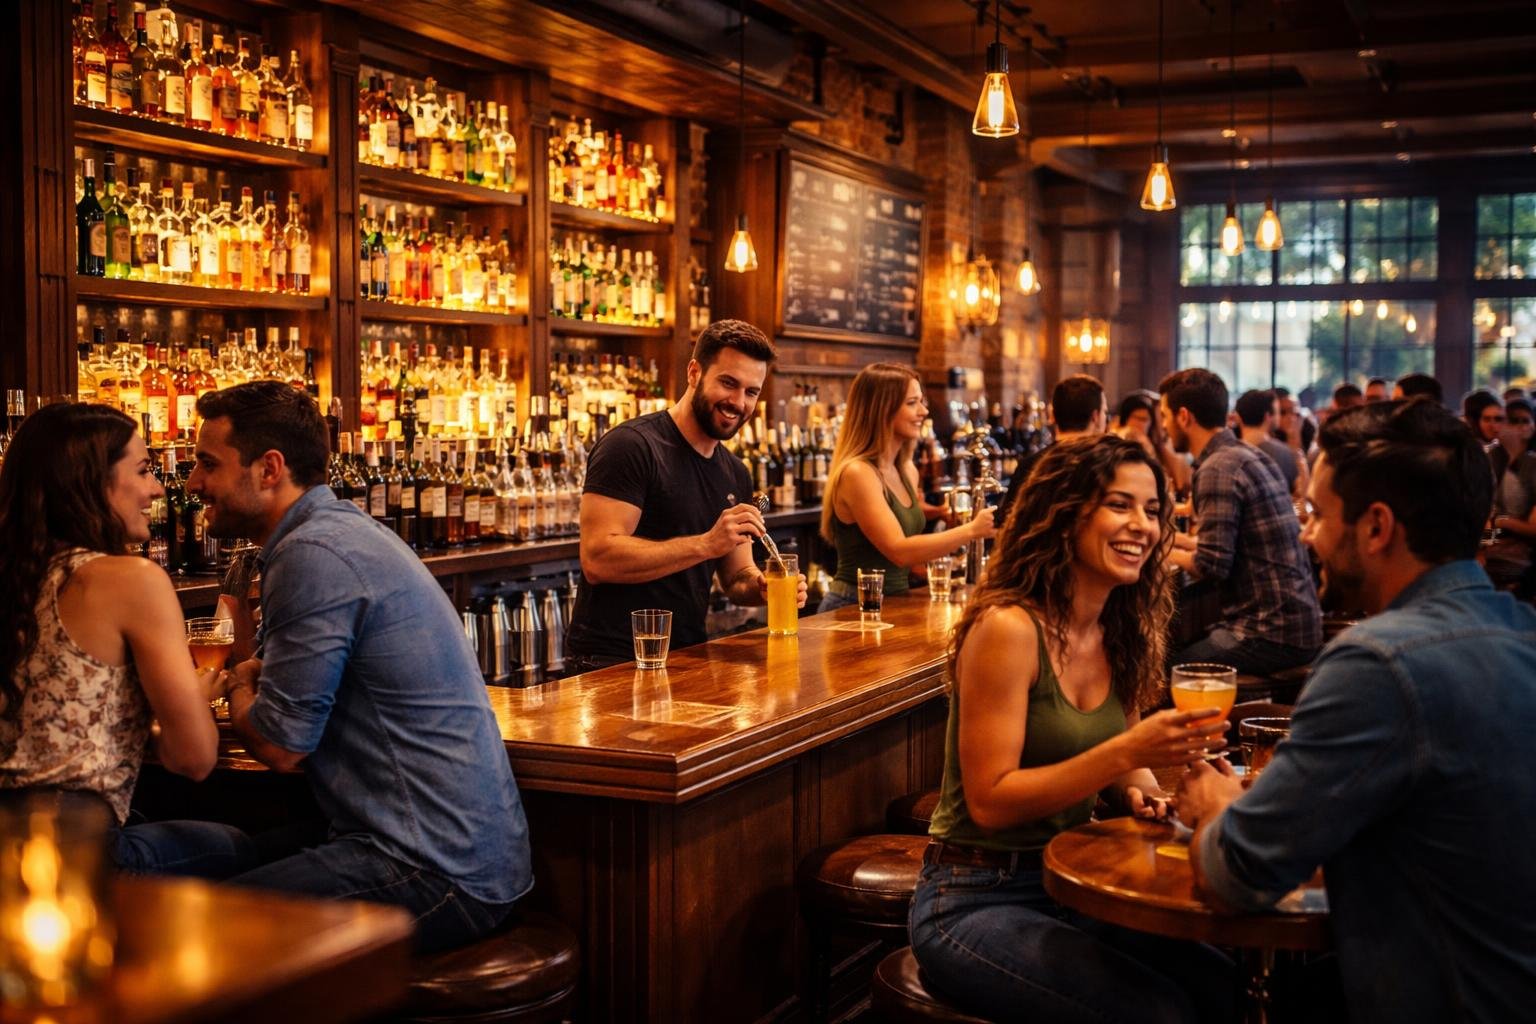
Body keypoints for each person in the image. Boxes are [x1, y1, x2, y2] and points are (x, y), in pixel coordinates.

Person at [1179, 399, 1536, 1023]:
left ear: (1376, 527)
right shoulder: (1522, 630)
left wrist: (1215, 803)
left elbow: (1234, 874)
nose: (1306, 534)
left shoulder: (1377, 663)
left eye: (1318, 514)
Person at [188, 382, 531, 954]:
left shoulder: (311, 553)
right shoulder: (335, 531)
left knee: (200, 930)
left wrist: (242, 682)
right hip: (452, 852)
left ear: (269, 468)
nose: (194, 483)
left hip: (434, 869)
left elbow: (280, 744)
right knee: (203, 875)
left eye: (208, 464)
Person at [908, 435, 1234, 1023]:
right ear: (1064, 515)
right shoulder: (1008, 628)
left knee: (1223, 984)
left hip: (1074, 878)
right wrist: (1127, 753)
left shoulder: (1121, 628)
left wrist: (1146, 794)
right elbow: (989, 801)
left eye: (1152, 510)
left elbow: (1125, 763)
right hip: (974, 894)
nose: (1142, 526)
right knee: (1159, 1013)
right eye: (1119, 505)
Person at [0, 403, 255, 877]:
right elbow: (194, 759)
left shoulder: (19, 574)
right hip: (64, 857)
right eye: (142, 471)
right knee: (238, 846)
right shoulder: (129, 580)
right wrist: (193, 700)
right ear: (91, 483)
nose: (157, 489)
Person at [566, 320, 805, 671]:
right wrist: (706, 544)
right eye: (728, 383)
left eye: (751, 392)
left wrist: (761, 586)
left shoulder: (734, 472)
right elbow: (598, 558)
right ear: (694, 373)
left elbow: (735, 576)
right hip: (610, 662)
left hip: (686, 656)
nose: (738, 402)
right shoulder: (631, 446)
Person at [1160, 369, 1323, 674]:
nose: (1164, 426)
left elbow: (1211, 565)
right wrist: (1175, 541)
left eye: (1165, 416)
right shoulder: (1248, 455)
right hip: (1300, 626)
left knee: (1166, 669)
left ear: (1183, 416)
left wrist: (1162, 552)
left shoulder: (1217, 468)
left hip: (1268, 634)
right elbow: (1234, 544)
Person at [818, 364, 994, 611]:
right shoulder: (858, 473)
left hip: (896, 601)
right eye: (912, 403)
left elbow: (909, 557)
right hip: (852, 605)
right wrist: (971, 530)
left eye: (922, 402)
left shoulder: (907, 470)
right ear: (881, 411)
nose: (924, 411)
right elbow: (899, 551)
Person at [997, 373, 1107, 525]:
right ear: (1096, 417)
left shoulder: (1029, 466)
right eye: (1105, 412)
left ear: (1052, 415)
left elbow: (1008, 523)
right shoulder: (1105, 464)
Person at [1487, 397, 1536, 596]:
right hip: (1493, 541)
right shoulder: (1490, 457)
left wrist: (1501, 521)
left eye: (1524, 421)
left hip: (1523, 551)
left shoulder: (1532, 465)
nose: (1518, 428)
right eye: (1511, 421)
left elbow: (1533, 529)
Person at [1116, 389, 1192, 494]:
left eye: (1147, 420)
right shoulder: (1120, 438)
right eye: (1139, 419)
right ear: (1126, 419)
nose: (1143, 425)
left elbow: (1182, 483)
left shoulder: (1157, 443)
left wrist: (1159, 442)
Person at [1233, 388, 1302, 498]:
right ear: (1268, 416)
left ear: (1238, 417)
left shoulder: (1227, 454)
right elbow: (1297, 494)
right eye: (1278, 412)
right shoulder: (1283, 453)